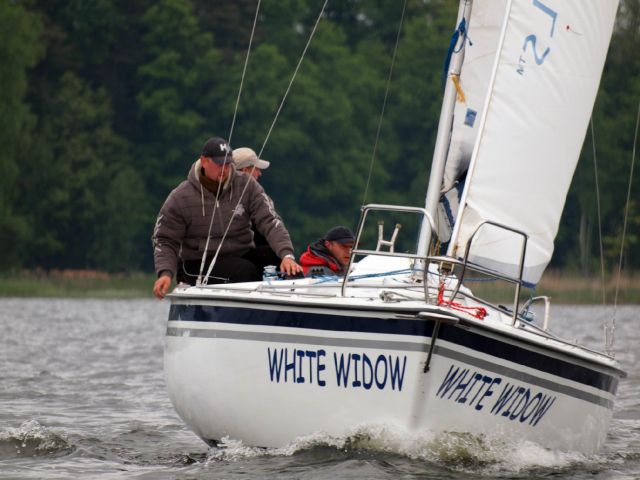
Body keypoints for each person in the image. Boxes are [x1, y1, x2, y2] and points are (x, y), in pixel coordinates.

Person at [152, 136, 303, 299]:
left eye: (228, 164)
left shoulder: (246, 185)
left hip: (241, 253)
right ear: (204, 161)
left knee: (278, 261)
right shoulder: (181, 196)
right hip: (199, 262)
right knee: (244, 271)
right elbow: (165, 239)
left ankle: (290, 307)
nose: (224, 169)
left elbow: (270, 220)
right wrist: (165, 273)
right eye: (219, 164)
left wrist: (286, 255)